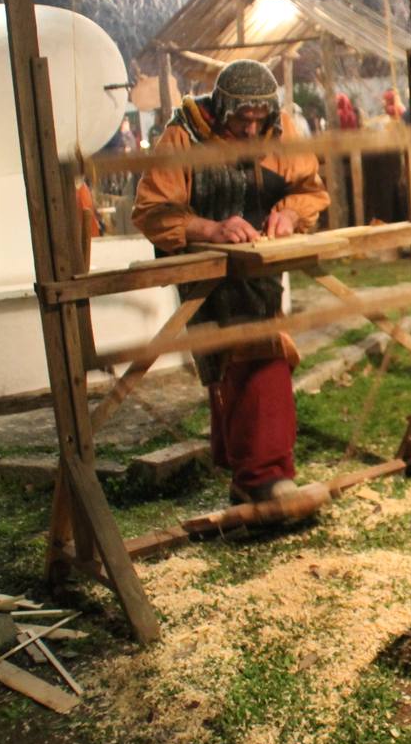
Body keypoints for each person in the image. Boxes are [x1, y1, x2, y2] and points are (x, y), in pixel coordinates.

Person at [133, 60, 329, 504]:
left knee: (260, 351)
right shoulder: (183, 136)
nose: (251, 129)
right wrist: (211, 229)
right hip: (204, 273)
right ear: (222, 110)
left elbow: (310, 188)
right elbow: (151, 211)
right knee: (225, 362)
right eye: (243, 119)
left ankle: (262, 476)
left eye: (260, 120)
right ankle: (256, 478)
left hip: (258, 269)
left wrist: (291, 212)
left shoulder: (281, 132)